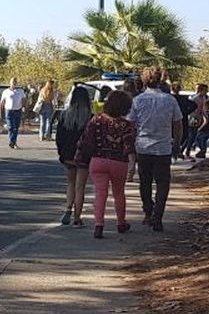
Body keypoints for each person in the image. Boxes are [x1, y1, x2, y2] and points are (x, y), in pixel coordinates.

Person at [129, 68, 184, 232]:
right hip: (163, 147)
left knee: (145, 182)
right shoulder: (170, 100)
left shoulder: (138, 101)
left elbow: (131, 124)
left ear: (144, 81)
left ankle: (148, 211)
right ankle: (158, 216)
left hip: (143, 146)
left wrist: (131, 144)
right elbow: (178, 124)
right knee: (162, 182)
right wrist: (177, 143)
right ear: (160, 80)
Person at [77, 89, 136, 238]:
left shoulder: (96, 120)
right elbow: (129, 145)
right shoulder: (126, 125)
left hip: (98, 161)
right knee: (119, 193)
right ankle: (121, 223)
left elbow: (87, 142)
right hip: (118, 162)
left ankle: (99, 225)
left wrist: (81, 156)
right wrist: (132, 162)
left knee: (100, 193)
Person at [54, 85, 94, 226]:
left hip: (68, 155)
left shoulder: (65, 115)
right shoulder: (90, 117)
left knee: (70, 183)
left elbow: (59, 137)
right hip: (83, 156)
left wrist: (61, 153)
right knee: (80, 186)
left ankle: (68, 208)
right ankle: (77, 217)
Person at [172, 82, 197, 159]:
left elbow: (194, 105)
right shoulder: (183, 98)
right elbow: (194, 105)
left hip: (174, 118)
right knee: (182, 134)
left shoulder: (171, 98)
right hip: (181, 117)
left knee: (179, 134)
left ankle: (176, 150)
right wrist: (186, 112)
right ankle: (177, 150)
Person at [191, 83, 209, 161]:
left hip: (204, 126)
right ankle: (201, 151)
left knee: (200, 139)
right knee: (200, 139)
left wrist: (201, 126)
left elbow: (206, 119)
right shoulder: (195, 98)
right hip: (199, 121)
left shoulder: (206, 100)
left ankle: (202, 151)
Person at [0, 78, 27, 148]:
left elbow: (24, 100)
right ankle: (12, 142)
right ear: (10, 83)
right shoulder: (6, 91)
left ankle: (13, 142)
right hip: (9, 111)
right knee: (11, 127)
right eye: (12, 82)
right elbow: (1, 103)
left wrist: (24, 107)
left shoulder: (20, 91)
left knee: (16, 128)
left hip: (18, 110)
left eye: (15, 82)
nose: (14, 83)